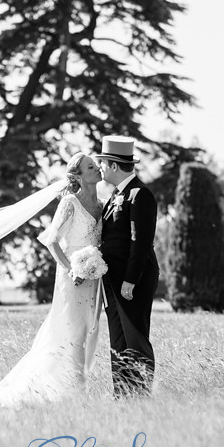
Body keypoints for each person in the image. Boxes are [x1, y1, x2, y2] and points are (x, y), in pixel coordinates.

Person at [0, 153, 106, 408]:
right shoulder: (69, 203)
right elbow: (52, 241)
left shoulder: (102, 204)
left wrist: (94, 266)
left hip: (94, 277)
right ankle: (72, 393)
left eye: (96, 165)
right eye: (91, 166)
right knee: (71, 331)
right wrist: (72, 270)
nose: (97, 168)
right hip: (72, 275)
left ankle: (66, 388)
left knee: (90, 330)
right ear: (78, 176)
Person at [95, 136, 159, 398]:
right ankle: (122, 393)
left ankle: (141, 393)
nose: (100, 168)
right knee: (118, 340)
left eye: (102, 163)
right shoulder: (116, 195)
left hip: (133, 280)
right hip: (113, 281)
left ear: (112, 166)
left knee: (135, 337)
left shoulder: (139, 195)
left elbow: (140, 242)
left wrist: (131, 280)